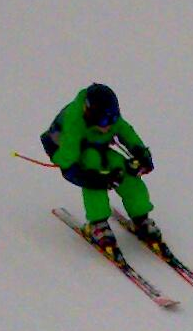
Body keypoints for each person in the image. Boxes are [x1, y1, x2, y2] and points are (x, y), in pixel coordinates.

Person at [41, 83, 160, 250]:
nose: (109, 125)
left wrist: (142, 154)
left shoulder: (110, 117)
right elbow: (68, 166)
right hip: (72, 154)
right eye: (104, 121)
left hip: (99, 147)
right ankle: (98, 223)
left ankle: (141, 217)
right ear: (89, 116)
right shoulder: (74, 123)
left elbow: (126, 132)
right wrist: (95, 179)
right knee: (93, 164)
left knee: (123, 170)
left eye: (113, 119)